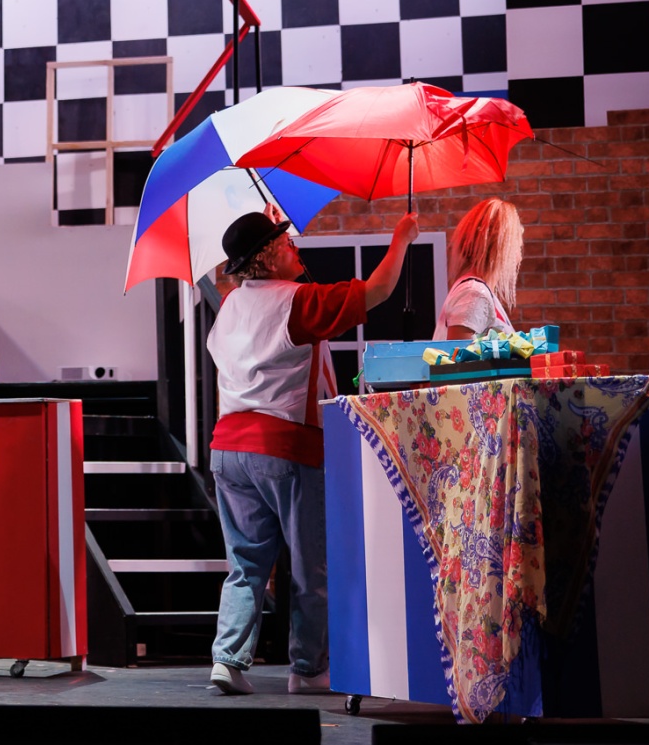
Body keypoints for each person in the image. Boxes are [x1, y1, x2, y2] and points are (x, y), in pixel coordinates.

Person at [205, 204, 418, 696]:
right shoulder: (298, 303)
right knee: (310, 565)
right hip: (284, 447)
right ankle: (307, 667)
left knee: (246, 564)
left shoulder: (231, 304)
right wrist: (402, 238)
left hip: (228, 449)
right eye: (286, 244)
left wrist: (267, 230)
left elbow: (252, 295)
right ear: (267, 257)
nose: (295, 248)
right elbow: (378, 290)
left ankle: (227, 659)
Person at [434, 198, 524, 340]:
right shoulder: (473, 293)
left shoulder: (476, 290)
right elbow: (459, 353)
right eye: (517, 243)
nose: (519, 254)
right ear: (501, 247)